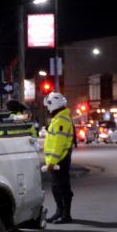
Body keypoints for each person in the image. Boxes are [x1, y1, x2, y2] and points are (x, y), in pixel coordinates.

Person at [42, 92, 75, 223]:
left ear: (53, 104)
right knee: (57, 187)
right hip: (58, 160)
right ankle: (60, 212)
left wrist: (53, 161)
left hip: (60, 160)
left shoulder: (61, 120)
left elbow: (58, 143)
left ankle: (66, 215)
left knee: (62, 187)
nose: (47, 108)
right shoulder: (59, 118)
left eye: (48, 105)